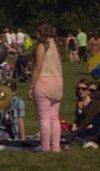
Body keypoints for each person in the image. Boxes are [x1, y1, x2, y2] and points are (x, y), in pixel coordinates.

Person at [28, 22, 63, 152]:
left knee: (44, 117)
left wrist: (31, 87)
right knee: (55, 117)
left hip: (43, 83)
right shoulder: (57, 46)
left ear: (41, 32)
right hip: (58, 84)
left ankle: (45, 147)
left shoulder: (42, 46)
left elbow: (37, 68)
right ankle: (56, 147)